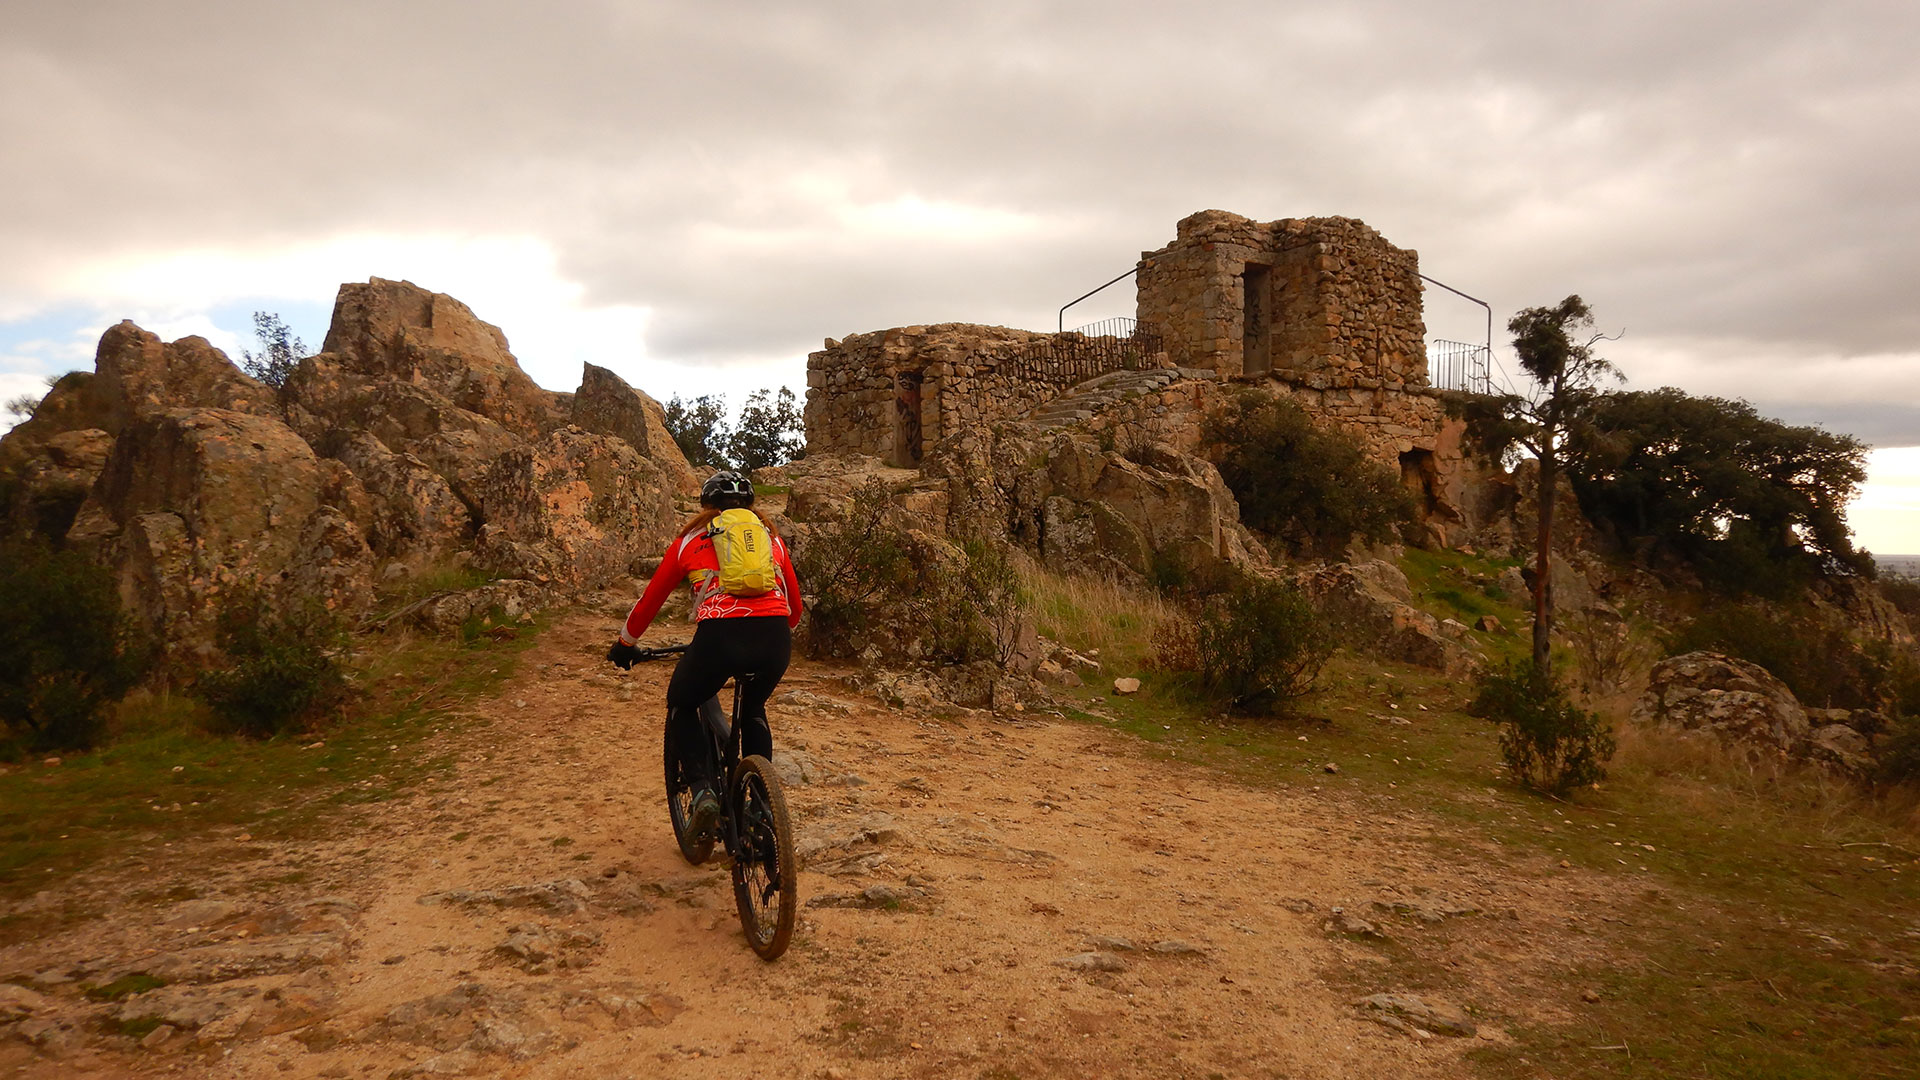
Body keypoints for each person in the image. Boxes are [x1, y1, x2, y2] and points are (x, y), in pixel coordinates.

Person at [606, 470, 803, 834]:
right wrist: (775, 632)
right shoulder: (770, 538)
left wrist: (625, 644)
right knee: (755, 707)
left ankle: (702, 793)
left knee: (681, 700)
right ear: (750, 505)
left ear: (706, 506)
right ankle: (761, 809)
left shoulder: (691, 539)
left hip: (719, 639)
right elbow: (796, 608)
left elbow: (651, 600)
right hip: (775, 638)